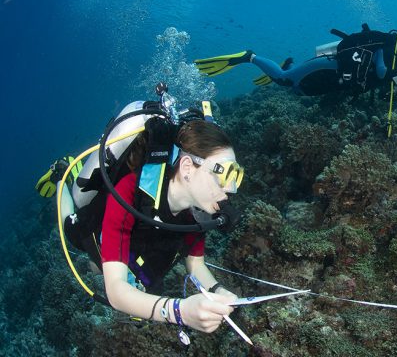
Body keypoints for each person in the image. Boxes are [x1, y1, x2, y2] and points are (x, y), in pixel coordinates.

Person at [36, 99, 245, 335]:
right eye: (226, 173)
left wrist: (218, 291)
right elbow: (115, 291)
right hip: (98, 228)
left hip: (140, 240)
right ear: (187, 167)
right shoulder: (130, 191)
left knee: (105, 269)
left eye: (236, 176)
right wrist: (179, 311)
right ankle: (62, 174)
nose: (230, 189)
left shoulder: (200, 213)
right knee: (73, 231)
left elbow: (195, 264)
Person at [194, 23, 397, 98]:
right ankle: (248, 56)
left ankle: (284, 67)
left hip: (332, 78)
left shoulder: (392, 62)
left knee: (296, 90)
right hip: (328, 65)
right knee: (286, 82)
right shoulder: (388, 53)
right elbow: (379, 71)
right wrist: (395, 78)